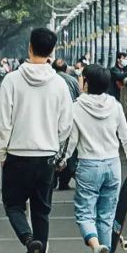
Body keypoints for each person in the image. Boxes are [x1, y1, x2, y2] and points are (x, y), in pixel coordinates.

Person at [0, 26, 73, 253]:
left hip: (17, 154)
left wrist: (1, 153)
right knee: (42, 211)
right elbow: (66, 125)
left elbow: (3, 122)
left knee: (13, 205)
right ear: (52, 51)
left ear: (29, 47)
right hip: (46, 156)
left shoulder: (12, 80)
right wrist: (55, 146)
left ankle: (29, 241)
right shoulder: (59, 84)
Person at [58, 62, 127, 253]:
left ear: (85, 82)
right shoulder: (115, 106)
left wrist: (62, 160)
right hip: (113, 164)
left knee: (85, 213)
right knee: (107, 215)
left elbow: (71, 140)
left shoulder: (76, 108)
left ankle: (96, 248)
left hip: (88, 165)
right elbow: (125, 135)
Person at [52, 58, 80, 190]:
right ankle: (64, 181)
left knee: (52, 150)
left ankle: (51, 181)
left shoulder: (50, 80)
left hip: (51, 121)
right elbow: (78, 99)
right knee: (69, 152)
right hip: (69, 120)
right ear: (66, 69)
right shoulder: (73, 80)